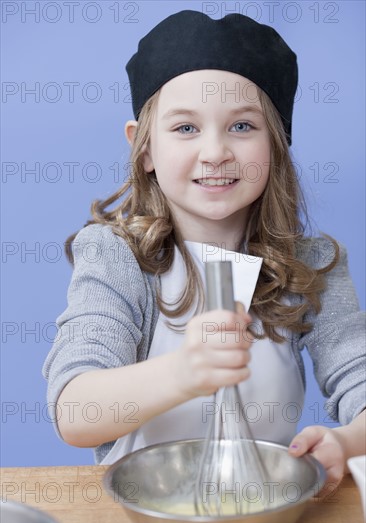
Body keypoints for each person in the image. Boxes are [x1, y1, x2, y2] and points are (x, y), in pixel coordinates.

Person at [42, 10, 365, 487]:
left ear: (276, 145)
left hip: (263, 512)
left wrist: (349, 441)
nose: (215, 153)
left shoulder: (310, 264)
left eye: (241, 127)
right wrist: (184, 371)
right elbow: (75, 411)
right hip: (142, 519)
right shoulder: (116, 256)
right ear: (144, 147)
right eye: (186, 128)